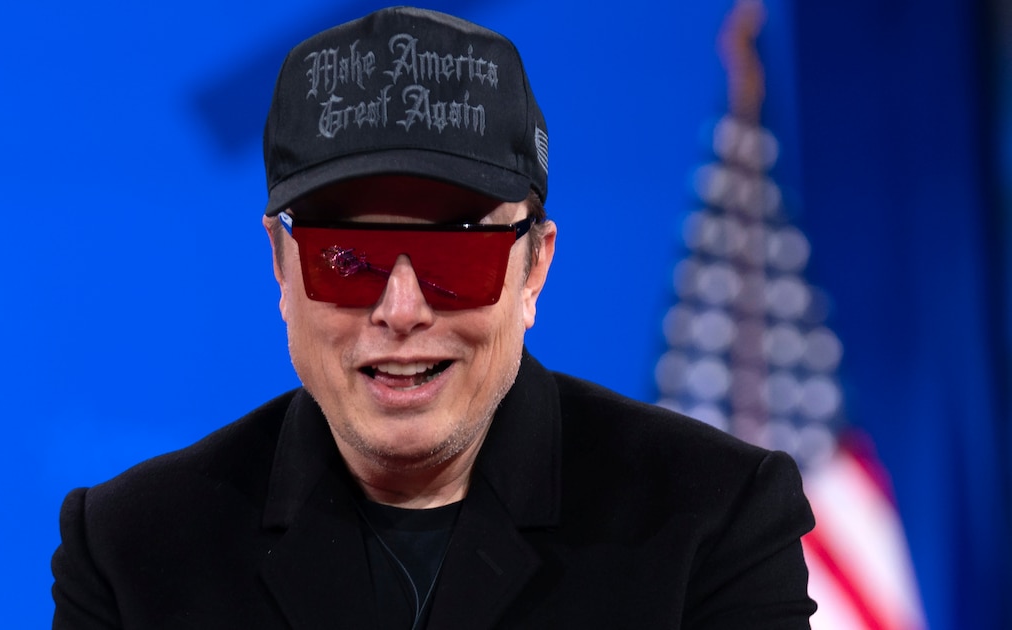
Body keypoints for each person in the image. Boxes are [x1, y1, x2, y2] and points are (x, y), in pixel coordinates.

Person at [50, 6, 816, 629]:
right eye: (347, 256)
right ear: (281, 268)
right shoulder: (132, 549)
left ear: (533, 268)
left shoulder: (713, 519)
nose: (402, 310)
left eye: (457, 255)